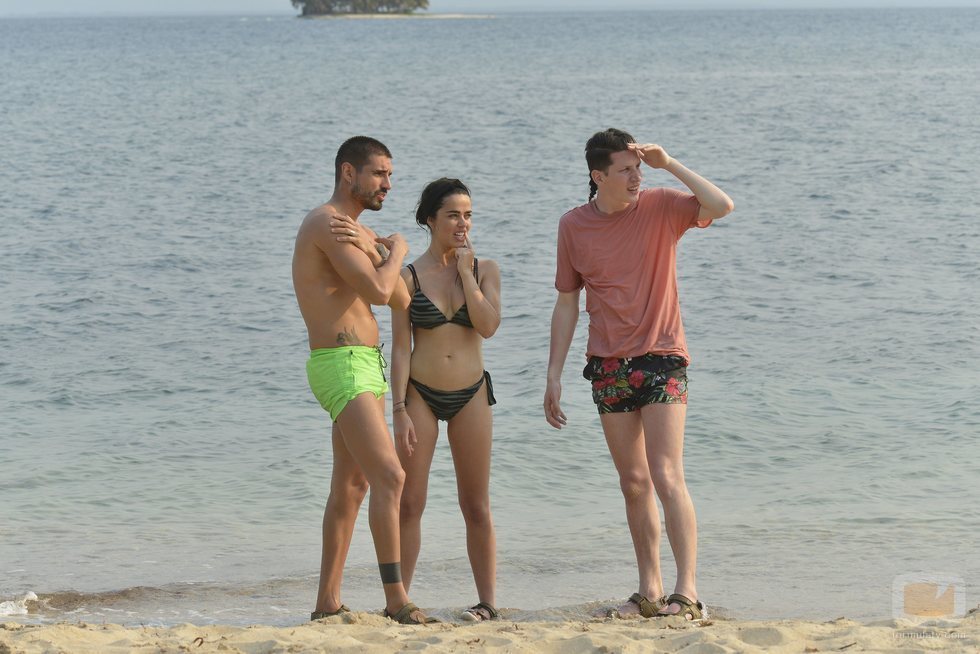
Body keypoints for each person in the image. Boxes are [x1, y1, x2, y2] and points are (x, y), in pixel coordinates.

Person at [543, 128, 734, 621]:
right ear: (598, 175)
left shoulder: (662, 205)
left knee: (667, 474)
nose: (636, 177)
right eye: (625, 169)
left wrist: (669, 162)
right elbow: (567, 302)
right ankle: (649, 589)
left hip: (662, 356)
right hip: (608, 364)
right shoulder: (573, 226)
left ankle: (686, 590)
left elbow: (722, 204)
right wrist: (553, 375)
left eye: (638, 168)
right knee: (633, 482)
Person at [292, 135, 433, 625]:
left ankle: (326, 604)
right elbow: (379, 290)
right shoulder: (327, 223)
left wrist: (381, 249)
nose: (389, 185)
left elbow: (400, 301)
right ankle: (397, 600)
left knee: (351, 488)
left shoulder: (354, 231)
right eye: (380, 174)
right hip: (341, 363)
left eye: (391, 175)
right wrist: (400, 249)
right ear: (349, 173)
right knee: (390, 476)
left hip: (364, 363)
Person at [390, 178, 502, 622]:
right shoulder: (407, 277)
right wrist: (397, 409)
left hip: (472, 392)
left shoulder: (486, 269)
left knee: (475, 505)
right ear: (430, 219)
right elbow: (401, 348)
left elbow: (489, 326)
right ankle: (401, 601)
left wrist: (466, 274)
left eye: (469, 214)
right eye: (453, 214)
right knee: (410, 503)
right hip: (420, 393)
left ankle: (488, 603)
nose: (463, 223)